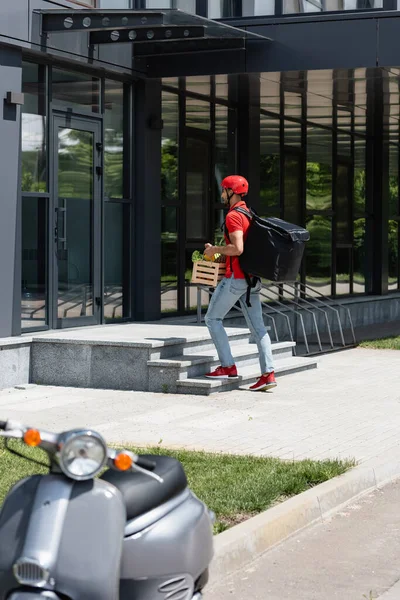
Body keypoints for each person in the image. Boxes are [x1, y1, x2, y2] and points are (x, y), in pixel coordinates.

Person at [203, 175, 277, 391]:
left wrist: (215, 250)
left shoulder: (234, 216)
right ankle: (268, 374)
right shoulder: (249, 213)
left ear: (231, 192)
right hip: (252, 280)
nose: (221, 194)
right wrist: (216, 253)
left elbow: (237, 249)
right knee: (258, 328)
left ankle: (227, 366)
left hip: (236, 279)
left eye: (223, 190)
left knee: (212, 318)